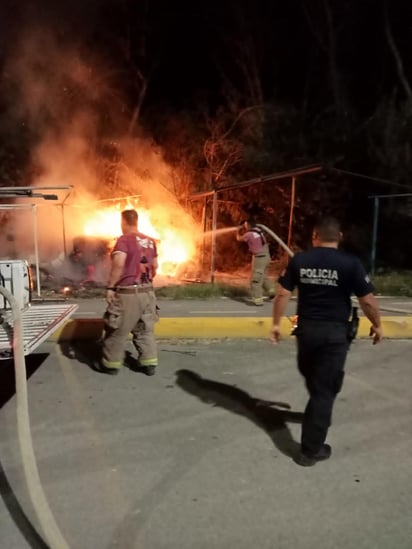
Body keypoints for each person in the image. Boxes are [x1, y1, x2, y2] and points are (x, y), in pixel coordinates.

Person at [270, 217, 383, 466]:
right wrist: (377, 324)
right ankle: (311, 451)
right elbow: (367, 301)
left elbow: (282, 293)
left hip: (306, 331)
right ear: (339, 237)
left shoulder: (300, 260)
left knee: (315, 380)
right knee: (324, 390)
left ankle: (316, 413)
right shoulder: (350, 263)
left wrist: (276, 324)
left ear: (314, 236)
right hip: (333, 335)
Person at [99, 209, 159, 376]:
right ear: (137, 221)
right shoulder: (150, 241)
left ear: (124, 222)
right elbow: (154, 266)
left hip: (127, 293)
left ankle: (110, 365)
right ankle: (149, 363)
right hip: (147, 292)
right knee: (145, 328)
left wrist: (111, 287)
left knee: (117, 329)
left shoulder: (124, 240)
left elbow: (119, 264)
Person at [236, 218, 275, 305]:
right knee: (263, 276)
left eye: (245, 225)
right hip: (266, 256)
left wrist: (237, 231)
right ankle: (271, 291)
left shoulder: (248, 234)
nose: (245, 226)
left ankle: (258, 300)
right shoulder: (258, 230)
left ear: (249, 225)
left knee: (255, 279)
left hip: (259, 258)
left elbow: (239, 239)